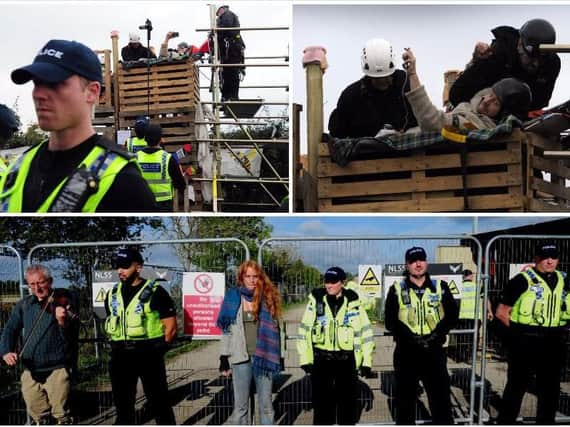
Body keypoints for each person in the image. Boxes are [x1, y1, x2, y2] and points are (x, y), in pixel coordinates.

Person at [0, 39, 157, 212]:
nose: (39, 94)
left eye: (54, 83)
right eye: (37, 83)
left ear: (92, 92)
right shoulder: (17, 168)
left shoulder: (123, 181)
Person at [495, 242, 570, 425]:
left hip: (553, 340)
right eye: (545, 257)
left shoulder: (565, 279)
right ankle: (506, 422)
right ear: (536, 258)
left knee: (550, 389)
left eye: (553, 257)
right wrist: (517, 337)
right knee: (516, 387)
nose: (550, 261)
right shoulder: (521, 280)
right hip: (525, 341)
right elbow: (501, 312)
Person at [384, 247, 458, 425]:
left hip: (434, 351)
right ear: (407, 265)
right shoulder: (396, 290)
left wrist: (434, 336)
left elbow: (452, 316)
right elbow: (390, 321)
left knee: (441, 400)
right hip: (407, 352)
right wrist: (412, 338)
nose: (418, 264)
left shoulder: (440, 287)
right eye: (413, 261)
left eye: (421, 260)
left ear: (426, 262)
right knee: (405, 402)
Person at [104, 248, 177, 425]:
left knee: (159, 403)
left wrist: (158, 351)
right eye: (117, 266)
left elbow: (171, 327)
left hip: (148, 354)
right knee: (123, 406)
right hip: (120, 355)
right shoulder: (112, 294)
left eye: (125, 266)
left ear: (138, 267)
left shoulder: (156, 292)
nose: (119, 270)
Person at [0, 265, 78, 425]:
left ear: (50, 282)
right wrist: (6, 351)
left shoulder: (63, 300)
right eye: (32, 284)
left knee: (61, 414)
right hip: (31, 369)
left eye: (41, 283)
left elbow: (70, 336)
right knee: (38, 415)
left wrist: (62, 321)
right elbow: (10, 329)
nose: (37, 288)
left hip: (57, 367)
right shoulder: (25, 305)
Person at [297, 266, 375, 425]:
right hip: (321, 361)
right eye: (327, 281)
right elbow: (304, 330)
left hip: (346, 362)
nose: (329, 285)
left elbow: (366, 333)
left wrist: (367, 362)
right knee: (321, 407)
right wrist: (305, 358)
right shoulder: (316, 301)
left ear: (342, 282)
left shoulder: (354, 303)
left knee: (347, 408)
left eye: (333, 282)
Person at [216, 260, 282, 425]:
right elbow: (226, 331)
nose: (252, 280)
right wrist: (223, 357)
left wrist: (279, 356)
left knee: (266, 406)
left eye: (255, 276)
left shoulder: (268, 298)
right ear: (241, 277)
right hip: (240, 359)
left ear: (260, 278)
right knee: (240, 407)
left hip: (264, 359)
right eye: (248, 276)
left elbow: (277, 331)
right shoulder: (232, 297)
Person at [403, 48, 532, 132]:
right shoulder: (469, 110)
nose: (487, 101)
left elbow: (432, 121)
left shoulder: (473, 126)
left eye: (496, 103)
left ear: (503, 114)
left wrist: (413, 75)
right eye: (490, 95)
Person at [449, 19, 560, 111]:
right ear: (519, 45)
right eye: (532, 58)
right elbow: (457, 94)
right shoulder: (498, 54)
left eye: (542, 59)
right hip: (478, 110)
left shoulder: (552, 64)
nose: (536, 64)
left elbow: (540, 102)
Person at [328, 38, 418, 139]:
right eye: (377, 79)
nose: (382, 82)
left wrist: (413, 74)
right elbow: (337, 134)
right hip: (367, 153)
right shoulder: (351, 97)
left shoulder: (405, 82)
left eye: (386, 78)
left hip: (409, 152)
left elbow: (423, 114)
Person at [136, 123, 186, 211]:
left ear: (145, 139)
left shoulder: (135, 158)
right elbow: (181, 184)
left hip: (142, 203)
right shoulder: (168, 158)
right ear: (160, 139)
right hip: (164, 205)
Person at [454, 269, 494, 363]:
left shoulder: (459, 287)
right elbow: (485, 299)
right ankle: (471, 356)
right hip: (475, 316)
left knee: (461, 337)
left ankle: (460, 357)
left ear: (463, 277)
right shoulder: (477, 287)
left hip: (461, 316)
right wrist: (490, 311)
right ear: (471, 276)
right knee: (474, 337)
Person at [216, 5, 246, 101]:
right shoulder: (227, 16)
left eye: (218, 13)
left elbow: (225, 27)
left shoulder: (227, 14)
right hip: (229, 50)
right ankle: (227, 96)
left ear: (222, 9)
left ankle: (232, 96)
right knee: (227, 73)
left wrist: (216, 31)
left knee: (231, 72)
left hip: (232, 49)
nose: (218, 16)